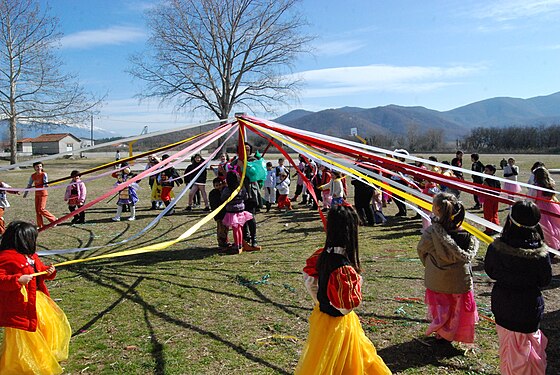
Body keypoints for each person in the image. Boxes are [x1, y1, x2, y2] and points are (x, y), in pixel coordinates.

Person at [296, 205, 391, 374]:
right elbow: (345, 308)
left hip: (322, 318)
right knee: (344, 362)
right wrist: (358, 282)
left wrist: (321, 300)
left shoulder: (321, 255)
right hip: (339, 324)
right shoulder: (344, 270)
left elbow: (309, 281)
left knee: (325, 360)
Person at [484, 201, 552, 375]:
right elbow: (545, 279)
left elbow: (490, 271)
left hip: (503, 305)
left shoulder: (496, 248)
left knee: (509, 346)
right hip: (529, 307)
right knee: (529, 347)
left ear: (510, 220)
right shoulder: (540, 254)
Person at [0, 221, 71, 374]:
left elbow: (39, 270)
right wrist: (17, 280)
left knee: (45, 326)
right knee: (26, 336)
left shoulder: (31, 256)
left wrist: (48, 271)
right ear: (23, 239)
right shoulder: (6, 257)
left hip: (38, 300)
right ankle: (27, 364)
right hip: (19, 306)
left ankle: (45, 355)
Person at [417, 193, 479, 345]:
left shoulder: (431, 233)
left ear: (437, 209)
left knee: (441, 308)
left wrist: (431, 264)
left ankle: (442, 332)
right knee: (457, 310)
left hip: (438, 279)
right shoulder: (466, 234)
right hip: (460, 280)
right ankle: (452, 333)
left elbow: (421, 250)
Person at [221, 172, 253, 254]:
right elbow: (245, 197)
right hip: (241, 211)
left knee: (235, 229)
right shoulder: (241, 188)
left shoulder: (227, 190)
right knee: (239, 228)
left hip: (232, 212)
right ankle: (240, 244)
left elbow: (223, 198)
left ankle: (237, 245)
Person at [530, 167, 560, 250]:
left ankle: (551, 246)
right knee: (555, 226)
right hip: (552, 206)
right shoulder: (550, 185)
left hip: (541, 209)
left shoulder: (535, 187)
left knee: (546, 228)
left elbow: (531, 199)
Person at [23, 161, 57, 229]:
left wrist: (46, 185)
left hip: (43, 193)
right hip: (37, 194)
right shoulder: (33, 176)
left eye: (40, 166)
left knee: (41, 209)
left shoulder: (44, 174)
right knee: (37, 210)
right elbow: (29, 185)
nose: (39, 168)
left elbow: (45, 183)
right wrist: (25, 193)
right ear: (34, 168)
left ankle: (54, 219)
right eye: (37, 167)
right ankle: (40, 225)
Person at [209, 178, 229, 251]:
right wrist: (216, 216)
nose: (219, 187)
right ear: (214, 186)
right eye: (217, 185)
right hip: (218, 214)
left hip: (226, 213)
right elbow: (213, 205)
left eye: (220, 185)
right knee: (220, 229)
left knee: (226, 228)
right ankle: (221, 243)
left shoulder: (225, 191)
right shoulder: (213, 193)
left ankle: (225, 241)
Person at [481, 164, 501, 235]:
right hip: (496, 198)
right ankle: (496, 227)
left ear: (492, 171)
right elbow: (499, 190)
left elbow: (484, 189)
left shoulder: (486, 180)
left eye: (487, 170)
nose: (485, 172)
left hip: (489, 199)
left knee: (488, 214)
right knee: (494, 213)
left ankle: (489, 230)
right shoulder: (497, 179)